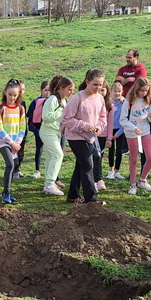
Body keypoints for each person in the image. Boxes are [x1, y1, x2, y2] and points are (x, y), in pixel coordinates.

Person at [61, 69, 108, 204]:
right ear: (87, 82)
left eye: (100, 85)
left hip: (91, 137)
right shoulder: (77, 98)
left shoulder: (100, 98)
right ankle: (91, 200)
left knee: (81, 165)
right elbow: (66, 119)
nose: (98, 88)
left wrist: (99, 127)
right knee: (88, 164)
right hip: (76, 137)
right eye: (95, 84)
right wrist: (84, 126)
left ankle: (72, 195)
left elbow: (102, 117)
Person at [119, 77, 151, 195]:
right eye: (142, 90)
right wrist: (133, 128)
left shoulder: (149, 100)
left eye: (146, 91)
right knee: (134, 159)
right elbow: (123, 120)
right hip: (132, 132)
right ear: (136, 89)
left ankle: (143, 180)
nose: (144, 93)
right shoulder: (129, 101)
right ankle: (133, 184)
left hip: (144, 130)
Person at [0, 80, 27, 204]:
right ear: (5, 93)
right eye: (10, 94)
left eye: (15, 95)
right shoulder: (0, 108)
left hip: (15, 142)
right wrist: (11, 143)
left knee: (12, 166)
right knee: (10, 164)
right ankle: (6, 193)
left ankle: (7, 192)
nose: (12, 97)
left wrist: (17, 143)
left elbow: (22, 127)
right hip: (3, 141)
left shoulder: (20, 109)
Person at [41, 76, 75, 196]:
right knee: (58, 154)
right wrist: (61, 111)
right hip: (47, 131)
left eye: (72, 90)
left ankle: (48, 183)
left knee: (51, 157)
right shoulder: (52, 99)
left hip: (55, 132)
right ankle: (50, 183)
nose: (71, 92)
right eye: (69, 89)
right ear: (61, 88)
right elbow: (45, 117)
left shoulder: (64, 100)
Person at [93, 81, 114, 192]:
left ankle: (98, 180)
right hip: (91, 134)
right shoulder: (91, 101)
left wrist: (109, 138)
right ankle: (94, 180)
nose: (101, 92)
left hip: (102, 135)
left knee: (99, 157)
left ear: (107, 91)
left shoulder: (109, 105)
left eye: (103, 90)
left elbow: (110, 123)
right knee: (92, 158)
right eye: (99, 89)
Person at [27, 82, 50, 179]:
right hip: (39, 130)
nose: (48, 92)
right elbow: (30, 115)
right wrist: (36, 128)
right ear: (41, 90)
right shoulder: (36, 101)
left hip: (50, 131)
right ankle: (37, 170)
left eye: (50, 90)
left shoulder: (54, 101)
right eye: (45, 90)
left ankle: (51, 172)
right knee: (39, 149)